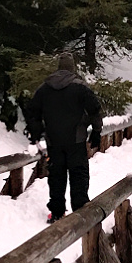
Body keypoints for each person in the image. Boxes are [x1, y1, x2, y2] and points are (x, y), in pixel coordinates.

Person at [24, 52, 103, 222]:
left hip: (54, 141)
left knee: (57, 176)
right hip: (76, 140)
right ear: (72, 67)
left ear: (59, 67)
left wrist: (37, 133)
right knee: (78, 175)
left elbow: (32, 112)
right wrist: (96, 131)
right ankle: (81, 211)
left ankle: (57, 212)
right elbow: (95, 110)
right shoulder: (81, 87)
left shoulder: (44, 88)